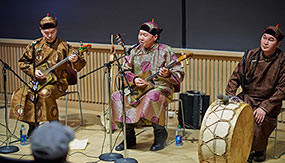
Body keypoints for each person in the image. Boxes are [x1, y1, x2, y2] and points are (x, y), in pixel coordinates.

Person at [111, 21, 184, 151]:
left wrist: (167, 74)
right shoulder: (134, 51)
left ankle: (160, 136)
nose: (141, 38)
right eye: (140, 34)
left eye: (145, 35)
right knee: (117, 97)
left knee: (153, 95)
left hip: (160, 88)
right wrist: (134, 79)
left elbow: (179, 73)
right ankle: (129, 137)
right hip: (138, 88)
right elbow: (124, 71)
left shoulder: (165, 50)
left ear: (155, 37)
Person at [9, 13, 86, 137]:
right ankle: (33, 126)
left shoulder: (64, 46)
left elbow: (79, 66)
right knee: (22, 93)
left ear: (57, 30)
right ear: (41, 30)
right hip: (39, 81)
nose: (49, 35)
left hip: (58, 83)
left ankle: (53, 127)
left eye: (52, 32)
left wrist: (75, 59)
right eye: (46, 32)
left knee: (45, 93)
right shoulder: (34, 45)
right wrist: (33, 71)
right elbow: (22, 62)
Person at [225, 24, 284, 162]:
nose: (266, 42)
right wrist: (231, 96)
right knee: (234, 115)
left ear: (278, 43)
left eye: (271, 40)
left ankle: (257, 150)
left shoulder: (282, 60)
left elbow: (283, 89)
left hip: (269, 101)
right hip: (247, 97)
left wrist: (265, 107)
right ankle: (235, 147)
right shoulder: (250, 55)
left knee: (258, 120)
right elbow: (235, 78)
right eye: (264, 38)